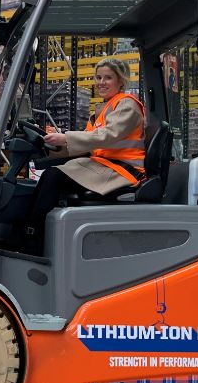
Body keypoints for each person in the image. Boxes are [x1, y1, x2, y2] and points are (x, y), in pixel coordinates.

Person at [21, 57, 146, 251]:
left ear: (121, 81)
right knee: (48, 173)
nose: (101, 83)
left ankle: (31, 238)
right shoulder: (104, 108)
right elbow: (88, 143)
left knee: (53, 177)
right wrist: (49, 144)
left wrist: (66, 138)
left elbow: (106, 136)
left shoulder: (126, 105)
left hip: (122, 169)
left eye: (108, 78)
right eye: (98, 77)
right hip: (103, 164)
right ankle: (34, 233)